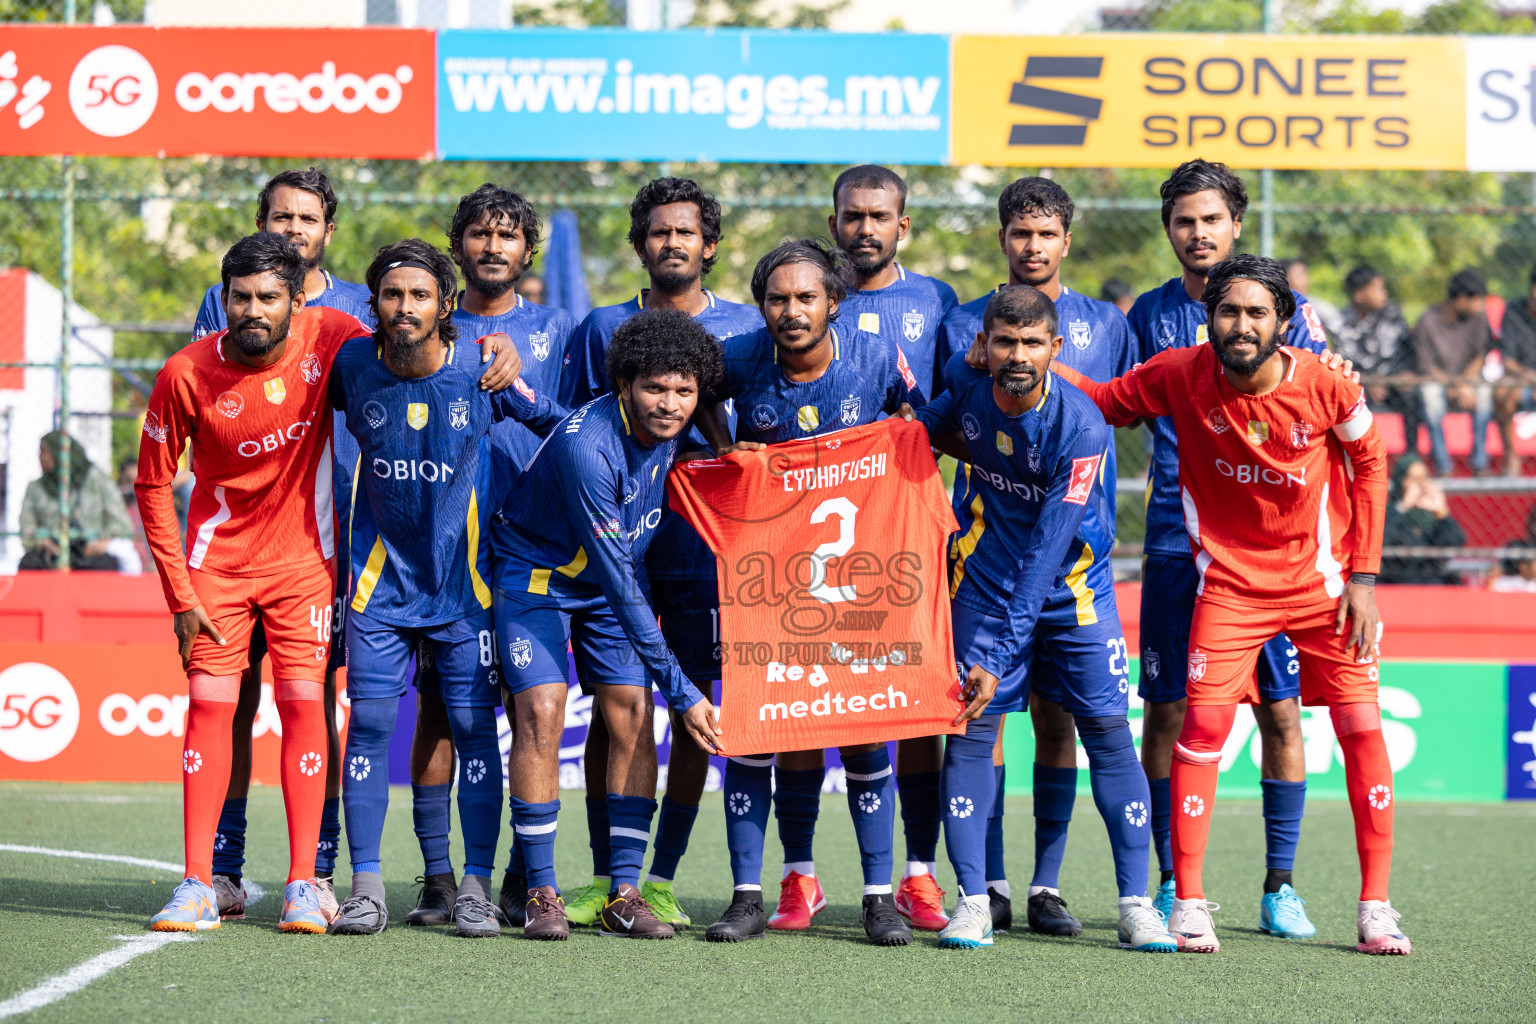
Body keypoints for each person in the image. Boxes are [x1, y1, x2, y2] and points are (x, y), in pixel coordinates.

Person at [136, 232, 520, 935]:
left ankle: (305, 883)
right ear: (224, 300)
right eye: (240, 297)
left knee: (305, 706)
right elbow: (152, 484)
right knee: (210, 707)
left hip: (305, 565)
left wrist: (495, 346)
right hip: (215, 569)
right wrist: (179, 595)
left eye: (268, 297)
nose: (254, 310)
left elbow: (419, 336)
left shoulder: (334, 337)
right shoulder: (183, 373)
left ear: (296, 300)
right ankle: (197, 881)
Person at [1059, 254, 1406, 957]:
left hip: (1323, 589)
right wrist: (1032, 362)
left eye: (1256, 313)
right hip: (1230, 588)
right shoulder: (1178, 373)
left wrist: (1365, 579)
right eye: (1228, 311)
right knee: (1203, 727)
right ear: (1208, 318)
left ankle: (1375, 907)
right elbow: (1103, 400)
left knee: (1362, 728)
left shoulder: (1327, 384)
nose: (1241, 325)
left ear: (1283, 322)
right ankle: (1189, 902)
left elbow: (1371, 463)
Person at [907, 286, 1177, 953]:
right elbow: (918, 435)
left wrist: (998, 656)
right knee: (970, 732)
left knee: (1106, 733)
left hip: (1072, 588)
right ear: (985, 345)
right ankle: (974, 901)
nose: (1018, 355)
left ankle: (1135, 905)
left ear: (1055, 348)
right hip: (982, 583)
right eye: (1005, 342)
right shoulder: (969, 388)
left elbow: (1046, 552)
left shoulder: (1082, 426)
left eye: (1032, 343)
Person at [326, 239, 564, 939]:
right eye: (392, 295)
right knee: (370, 726)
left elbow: (560, 428)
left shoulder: (483, 370)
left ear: (446, 305)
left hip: (465, 591)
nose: (405, 307)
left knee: (472, 731)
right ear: (374, 304)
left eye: (420, 295)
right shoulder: (351, 365)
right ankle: (365, 888)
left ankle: (476, 889)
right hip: (377, 587)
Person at [695, 238, 923, 947]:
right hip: (765, 582)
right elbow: (696, 396)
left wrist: (900, 435)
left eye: (805, 298)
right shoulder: (737, 356)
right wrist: (725, 448)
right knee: (755, 732)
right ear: (761, 306)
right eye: (777, 299)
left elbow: (918, 419)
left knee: (861, 730)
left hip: (857, 583)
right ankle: (746, 896)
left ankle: (879, 898)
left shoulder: (874, 357)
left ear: (833, 303)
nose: (790, 311)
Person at [1126, 160, 1329, 937]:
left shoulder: (1289, 311)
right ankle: (1173, 883)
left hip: (1269, 552)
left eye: (1211, 218)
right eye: (1184, 220)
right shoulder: (1148, 314)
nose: (1198, 232)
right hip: (1176, 542)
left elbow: (1326, 404)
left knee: (1280, 711)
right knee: (1168, 710)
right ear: (1168, 229)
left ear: (1236, 224)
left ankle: (1281, 887)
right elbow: (1115, 403)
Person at [556, 177, 761, 931]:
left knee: (694, 709)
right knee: (619, 713)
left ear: (710, 245)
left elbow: (753, 435)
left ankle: (663, 877)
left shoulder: (746, 328)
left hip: (705, 553)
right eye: (659, 232)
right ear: (640, 244)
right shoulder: (602, 327)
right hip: (614, 555)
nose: (673, 243)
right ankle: (608, 878)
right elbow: (572, 428)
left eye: (686, 232)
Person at [492, 307, 724, 941]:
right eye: (655, 388)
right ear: (624, 384)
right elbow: (621, 582)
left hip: (608, 583)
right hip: (537, 577)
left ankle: (624, 892)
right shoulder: (589, 448)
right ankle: (539, 892)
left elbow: (619, 579)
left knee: (632, 712)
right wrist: (685, 691)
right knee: (541, 710)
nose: (670, 404)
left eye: (684, 390)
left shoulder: (674, 425)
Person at [384, 183, 580, 930]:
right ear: (458, 244)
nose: (493, 247)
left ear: (527, 250)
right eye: (479, 234)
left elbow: (579, 426)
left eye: (507, 236)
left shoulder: (558, 326)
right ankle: (439, 877)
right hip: (442, 548)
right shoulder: (430, 320)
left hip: (534, 550)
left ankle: (524, 877)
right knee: (441, 708)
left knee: (533, 708)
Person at [947, 176, 1138, 937]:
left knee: (1074, 726)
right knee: (978, 725)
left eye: (1046, 233)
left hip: (1076, 573)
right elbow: (934, 421)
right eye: (1020, 233)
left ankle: (1054, 889)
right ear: (1002, 239)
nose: (1033, 246)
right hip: (986, 565)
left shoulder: (1107, 329)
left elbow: (1129, 406)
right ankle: (984, 890)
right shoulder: (963, 328)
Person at [199, 169, 375, 921]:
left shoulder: (359, 309)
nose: (293, 229)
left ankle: (318, 869)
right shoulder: (227, 300)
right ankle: (223, 867)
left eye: (306, 219)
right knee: (232, 698)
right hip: (236, 545)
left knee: (315, 700)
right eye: (280, 217)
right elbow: (214, 401)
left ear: (328, 231)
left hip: (325, 539)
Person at [825, 163, 958, 933]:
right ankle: (802, 875)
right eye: (853, 215)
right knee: (829, 705)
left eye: (879, 216)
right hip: (822, 539)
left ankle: (918, 874)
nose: (865, 228)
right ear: (835, 222)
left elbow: (953, 409)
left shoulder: (936, 301)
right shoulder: (809, 295)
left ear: (902, 226)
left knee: (912, 711)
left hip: (907, 534)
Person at [1412, 269, 1495, 476]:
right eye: (1477, 301)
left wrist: (1463, 383)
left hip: (1468, 381)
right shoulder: (1428, 320)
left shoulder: (1479, 318)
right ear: (1460, 300)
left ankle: (1480, 463)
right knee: (1429, 394)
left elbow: (1480, 356)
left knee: (1485, 393)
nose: (1481, 306)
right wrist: (1454, 384)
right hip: (1438, 381)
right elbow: (1426, 366)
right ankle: (1443, 466)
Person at [19, 430, 132, 571]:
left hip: (89, 554)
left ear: (58, 453)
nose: (40, 457)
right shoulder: (36, 488)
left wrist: (101, 543)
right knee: (28, 564)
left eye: (44, 452)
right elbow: (27, 527)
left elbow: (121, 524)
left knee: (105, 566)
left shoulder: (98, 482)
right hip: (50, 555)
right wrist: (44, 542)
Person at [1333, 265, 1418, 451]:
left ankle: (1412, 455)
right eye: (1377, 289)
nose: (1383, 294)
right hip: (1360, 382)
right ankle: (1353, 453)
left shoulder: (1392, 315)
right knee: (1345, 398)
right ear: (1359, 294)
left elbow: (1405, 350)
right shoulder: (1342, 321)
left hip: (1392, 380)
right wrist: (1369, 381)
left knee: (1411, 396)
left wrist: (1399, 375)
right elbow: (1343, 361)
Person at [1380, 456, 1466, 585]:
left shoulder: (1432, 515)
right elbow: (1383, 541)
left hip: (1431, 579)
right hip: (1397, 579)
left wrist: (1442, 513)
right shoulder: (1391, 511)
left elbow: (1455, 541)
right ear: (1402, 480)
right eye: (1414, 478)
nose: (1421, 484)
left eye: (1424, 477)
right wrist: (1403, 507)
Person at [1494, 264, 1536, 476]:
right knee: (1502, 392)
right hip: (1520, 380)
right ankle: (1510, 454)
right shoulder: (1514, 311)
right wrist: (1531, 378)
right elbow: (1507, 361)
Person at [1284, 259, 1341, 337]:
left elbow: (1337, 326)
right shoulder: (1275, 306)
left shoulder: (1316, 307)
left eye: (1305, 275)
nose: (1304, 281)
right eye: (1298, 276)